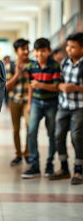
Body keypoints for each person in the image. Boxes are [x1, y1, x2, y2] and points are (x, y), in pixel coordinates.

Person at [21, 38, 60, 179]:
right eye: (37, 51)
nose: (40, 54)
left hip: (51, 103)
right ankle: (34, 165)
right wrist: (30, 103)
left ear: (49, 51)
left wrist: (41, 85)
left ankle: (49, 164)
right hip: (36, 102)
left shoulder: (55, 66)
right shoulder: (31, 66)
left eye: (43, 51)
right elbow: (31, 86)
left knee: (52, 134)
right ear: (34, 51)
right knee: (31, 132)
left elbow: (57, 87)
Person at [49, 32, 83, 185]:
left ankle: (78, 169)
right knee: (58, 135)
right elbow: (59, 82)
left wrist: (75, 87)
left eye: (72, 47)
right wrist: (61, 86)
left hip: (79, 106)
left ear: (82, 48)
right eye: (68, 46)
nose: (69, 49)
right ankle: (64, 168)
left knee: (76, 136)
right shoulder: (64, 63)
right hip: (64, 105)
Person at [5, 39, 31, 166]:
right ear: (16, 51)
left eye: (27, 48)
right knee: (16, 129)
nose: (26, 51)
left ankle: (27, 153)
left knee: (29, 126)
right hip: (14, 100)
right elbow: (7, 86)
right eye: (23, 49)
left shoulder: (33, 64)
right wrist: (17, 73)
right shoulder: (10, 65)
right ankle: (18, 154)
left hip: (28, 100)